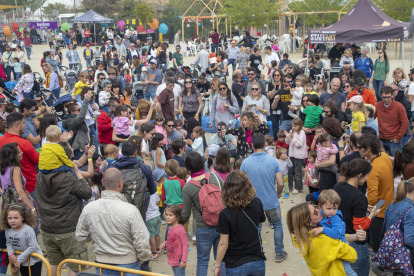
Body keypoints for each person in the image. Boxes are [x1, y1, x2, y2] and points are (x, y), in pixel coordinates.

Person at [76, 168, 151, 274]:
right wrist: (141, 259)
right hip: (128, 264)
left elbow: (80, 235)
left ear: (102, 182)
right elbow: (142, 241)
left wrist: (96, 236)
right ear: (120, 183)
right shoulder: (130, 210)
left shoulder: (89, 208)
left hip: (101, 263)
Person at [36, 141, 91, 276]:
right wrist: (78, 174)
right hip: (68, 230)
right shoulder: (68, 177)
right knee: (75, 265)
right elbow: (87, 192)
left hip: (48, 229)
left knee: (54, 264)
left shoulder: (41, 175)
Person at [286, 202, 367, 276]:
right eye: (315, 212)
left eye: (316, 208)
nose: (319, 210)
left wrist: (356, 236)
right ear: (308, 222)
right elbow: (352, 255)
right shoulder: (323, 240)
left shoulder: (303, 238)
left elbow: (335, 239)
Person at [240, 133, 286, 262]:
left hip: (253, 202)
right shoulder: (273, 161)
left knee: (257, 227)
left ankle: (258, 252)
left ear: (252, 145)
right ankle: (279, 252)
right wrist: (278, 193)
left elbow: (243, 184)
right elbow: (281, 182)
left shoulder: (245, 163)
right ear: (265, 144)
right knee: (277, 225)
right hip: (271, 200)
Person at [214, 171, 266, 276]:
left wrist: (217, 265)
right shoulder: (257, 203)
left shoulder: (225, 214)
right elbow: (260, 221)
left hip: (236, 264)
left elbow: (223, 244)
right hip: (257, 261)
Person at [181, 152, 225, 275]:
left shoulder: (188, 188)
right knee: (221, 260)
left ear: (188, 168)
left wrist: (177, 222)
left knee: (202, 261)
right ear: (202, 163)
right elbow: (226, 197)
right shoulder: (215, 177)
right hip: (222, 224)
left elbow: (186, 214)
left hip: (203, 227)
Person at [333, 158, 378, 276]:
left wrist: (363, 207)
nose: (367, 179)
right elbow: (360, 226)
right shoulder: (359, 196)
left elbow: (344, 205)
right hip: (355, 243)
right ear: (360, 175)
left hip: (339, 237)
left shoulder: (337, 186)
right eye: (367, 175)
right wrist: (371, 216)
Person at [357, 134, 394, 253]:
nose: (358, 150)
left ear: (368, 148)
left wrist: (369, 210)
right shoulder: (385, 156)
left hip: (378, 209)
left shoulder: (372, 169)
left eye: (359, 147)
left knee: (376, 241)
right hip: (389, 203)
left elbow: (372, 197)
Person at [311, 190, 358, 276]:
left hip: (341, 245)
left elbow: (336, 234)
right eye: (329, 208)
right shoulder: (321, 213)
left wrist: (323, 229)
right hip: (332, 246)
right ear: (320, 206)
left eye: (335, 208)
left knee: (347, 270)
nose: (332, 211)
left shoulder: (335, 219)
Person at [109, 141, 157, 216]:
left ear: (121, 152)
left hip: (118, 210)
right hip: (138, 210)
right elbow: (153, 189)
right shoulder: (145, 168)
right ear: (135, 152)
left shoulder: (112, 168)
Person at [0, 113, 39, 199]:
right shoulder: (24, 143)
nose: (25, 126)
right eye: (23, 123)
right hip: (29, 187)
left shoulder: (1, 140)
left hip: (8, 189)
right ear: (17, 125)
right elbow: (39, 160)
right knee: (34, 210)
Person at [2, 203, 43, 276]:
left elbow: (32, 246)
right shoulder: (8, 230)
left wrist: (19, 259)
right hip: (21, 261)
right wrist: (11, 255)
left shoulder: (28, 230)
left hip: (34, 261)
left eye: (16, 218)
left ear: (23, 217)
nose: (12, 221)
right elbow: (9, 242)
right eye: (9, 218)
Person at [374, 86, 409, 157]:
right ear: (380, 96)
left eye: (388, 97)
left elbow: (405, 123)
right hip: (381, 139)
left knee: (396, 161)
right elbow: (370, 119)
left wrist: (398, 138)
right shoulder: (377, 106)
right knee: (381, 160)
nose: (386, 99)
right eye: (384, 97)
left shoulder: (399, 106)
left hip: (394, 140)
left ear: (392, 95)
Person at [159, 205, 188, 276]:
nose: (167, 217)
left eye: (170, 215)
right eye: (166, 214)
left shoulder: (180, 230)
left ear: (177, 217)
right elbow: (172, 239)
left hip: (179, 261)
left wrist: (183, 261)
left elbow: (185, 245)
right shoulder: (171, 227)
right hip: (172, 258)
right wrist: (165, 243)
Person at [62, 92, 92, 160]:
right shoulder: (72, 121)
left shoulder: (74, 120)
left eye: (80, 109)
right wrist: (86, 100)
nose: (80, 111)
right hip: (78, 150)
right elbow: (81, 116)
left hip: (83, 148)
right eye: (78, 110)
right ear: (72, 112)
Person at [285, 118, 307, 194]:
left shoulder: (302, 133)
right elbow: (287, 142)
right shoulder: (291, 132)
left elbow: (299, 144)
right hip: (291, 154)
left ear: (300, 126)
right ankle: (289, 186)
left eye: (295, 126)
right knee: (290, 170)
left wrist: (293, 138)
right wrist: (288, 137)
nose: (293, 128)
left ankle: (298, 187)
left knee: (298, 172)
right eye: (292, 126)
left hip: (299, 155)